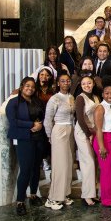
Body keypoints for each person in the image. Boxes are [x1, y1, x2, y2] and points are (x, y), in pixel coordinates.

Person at [6, 77, 47, 216]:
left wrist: (39, 125)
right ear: (22, 86)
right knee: (25, 170)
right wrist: (31, 126)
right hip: (23, 138)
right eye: (27, 86)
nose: (30, 88)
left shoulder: (37, 101)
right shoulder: (13, 102)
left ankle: (34, 195)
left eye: (32, 87)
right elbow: (13, 121)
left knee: (36, 168)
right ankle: (20, 201)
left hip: (38, 138)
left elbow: (43, 116)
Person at [44, 73, 76, 210]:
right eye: (63, 81)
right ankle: (53, 198)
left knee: (68, 164)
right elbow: (47, 119)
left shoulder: (71, 97)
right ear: (58, 83)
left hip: (70, 130)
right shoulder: (54, 98)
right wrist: (50, 136)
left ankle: (64, 194)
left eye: (68, 81)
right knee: (59, 165)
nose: (66, 83)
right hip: (59, 131)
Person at [92, 79, 111, 208]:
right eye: (107, 93)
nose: (110, 96)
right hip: (103, 140)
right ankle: (107, 199)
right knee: (107, 171)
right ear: (103, 94)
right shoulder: (100, 107)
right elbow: (98, 129)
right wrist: (102, 146)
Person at [74, 75, 100, 207]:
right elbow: (79, 118)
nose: (86, 86)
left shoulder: (95, 97)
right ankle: (86, 195)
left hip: (93, 131)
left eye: (89, 83)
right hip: (82, 132)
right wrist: (88, 133)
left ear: (93, 84)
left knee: (94, 163)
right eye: (84, 84)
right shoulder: (80, 98)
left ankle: (92, 193)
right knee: (87, 162)